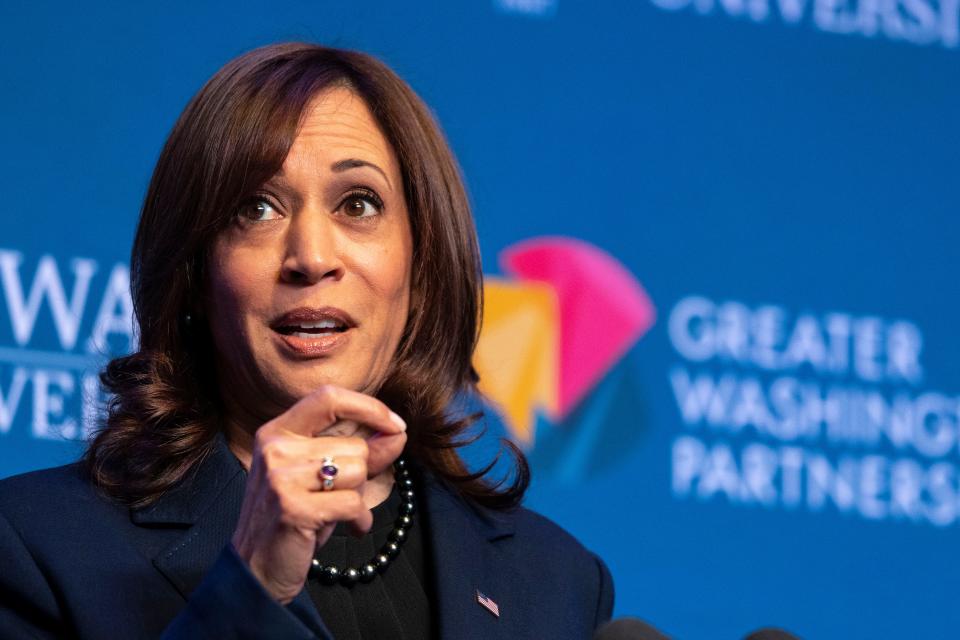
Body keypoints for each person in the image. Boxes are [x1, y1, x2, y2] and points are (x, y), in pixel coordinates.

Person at [0, 43, 614, 639]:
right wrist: (253, 587)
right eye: (257, 209)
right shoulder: (35, 547)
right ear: (194, 274)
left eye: (359, 204)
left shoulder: (559, 583)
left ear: (421, 267)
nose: (312, 258)